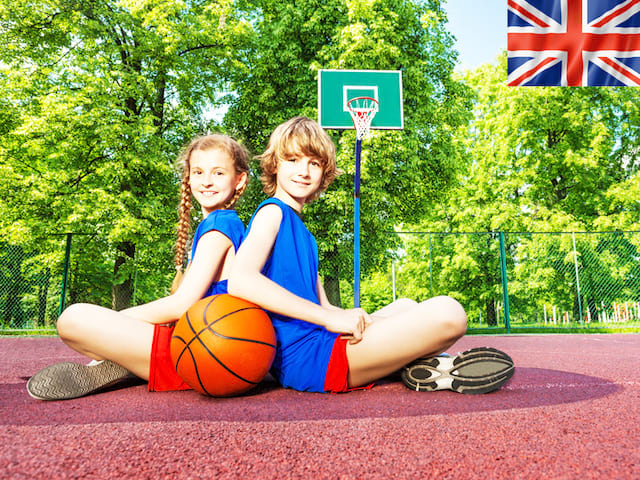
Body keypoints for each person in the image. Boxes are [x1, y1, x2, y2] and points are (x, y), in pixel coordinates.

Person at [228, 116, 514, 394]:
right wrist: (328, 320)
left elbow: (324, 306)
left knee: (404, 305)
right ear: (274, 165)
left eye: (313, 163)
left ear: (324, 173)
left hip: (319, 341)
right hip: (309, 357)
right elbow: (241, 281)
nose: (303, 170)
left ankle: (415, 367)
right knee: (450, 312)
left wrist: (346, 316)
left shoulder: (304, 234)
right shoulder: (272, 212)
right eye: (292, 160)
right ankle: (412, 363)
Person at [27, 134, 250, 400]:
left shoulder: (220, 226)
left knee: (72, 319)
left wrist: (117, 320)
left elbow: (181, 304)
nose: (207, 181)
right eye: (199, 172)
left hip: (204, 355)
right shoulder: (227, 224)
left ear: (240, 180)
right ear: (188, 178)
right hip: (205, 348)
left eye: (219, 172)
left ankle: (126, 358)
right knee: (87, 325)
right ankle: (128, 360)